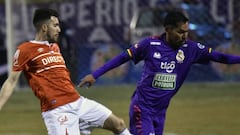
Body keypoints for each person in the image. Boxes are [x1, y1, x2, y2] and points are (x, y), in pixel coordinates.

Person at [79, 10, 240, 135]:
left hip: (161, 111)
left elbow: (220, 56)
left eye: (186, 31)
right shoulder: (150, 44)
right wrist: (95, 74)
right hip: (142, 108)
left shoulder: (191, 48)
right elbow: (122, 58)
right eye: (180, 32)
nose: (185, 36)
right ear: (168, 30)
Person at [0, 8, 131, 135]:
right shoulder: (25, 50)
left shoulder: (55, 47)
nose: (59, 29)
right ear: (45, 28)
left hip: (79, 102)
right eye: (55, 25)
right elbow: (11, 81)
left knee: (118, 124)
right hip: (57, 111)